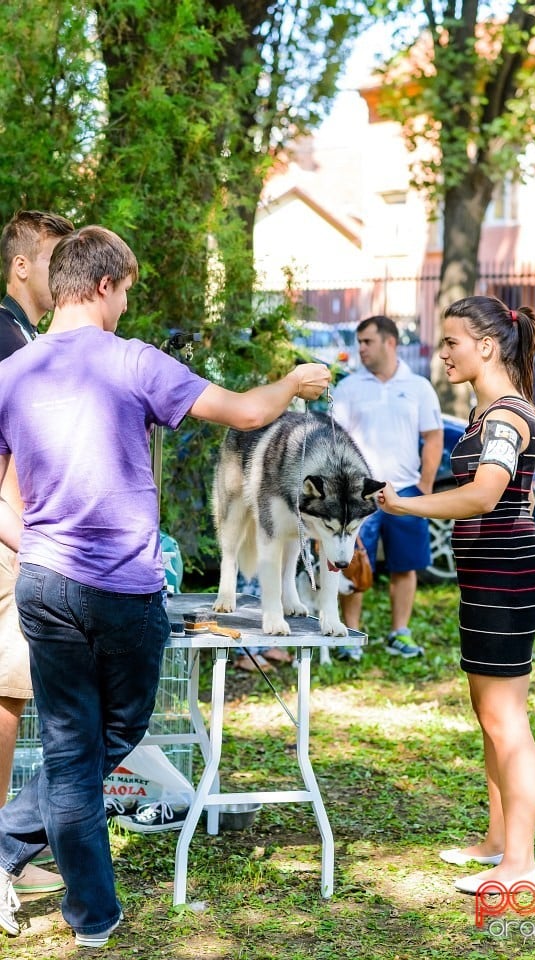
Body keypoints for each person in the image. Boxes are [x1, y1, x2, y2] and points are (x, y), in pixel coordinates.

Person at [0, 225, 330, 946]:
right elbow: (246, 412)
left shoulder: (11, 374)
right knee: (112, 732)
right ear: (102, 285)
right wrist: (296, 383)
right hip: (120, 588)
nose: (124, 308)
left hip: (44, 583)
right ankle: (70, 895)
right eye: (124, 293)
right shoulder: (131, 362)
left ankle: (56, 886)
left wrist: (38, 551)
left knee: (68, 748)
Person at [377, 295, 535, 894]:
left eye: (451, 342)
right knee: (490, 718)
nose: (441, 353)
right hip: (492, 576)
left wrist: (406, 502)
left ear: (486, 345)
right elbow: (517, 498)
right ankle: (498, 841)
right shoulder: (492, 416)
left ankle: (519, 865)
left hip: (508, 580)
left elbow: (484, 495)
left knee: (506, 722)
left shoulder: (504, 417)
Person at [0, 210, 75, 896]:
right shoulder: (2, 336)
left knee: (15, 696)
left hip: (25, 533)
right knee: (3, 696)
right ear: (21, 264)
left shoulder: (27, 335)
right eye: (54, 258)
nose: (63, 272)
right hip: (8, 536)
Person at [331, 315, 444, 660]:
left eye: (367, 341)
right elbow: (335, 440)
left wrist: (425, 484)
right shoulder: (349, 387)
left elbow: (434, 435)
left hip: (406, 490)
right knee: (353, 562)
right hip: (358, 492)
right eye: (359, 342)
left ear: (390, 342)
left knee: (405, 565)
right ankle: (350, 636)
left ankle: (400, 633)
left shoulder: (419, 386)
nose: (360, 349)